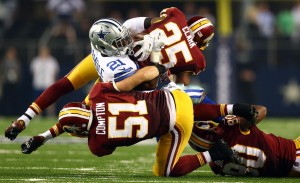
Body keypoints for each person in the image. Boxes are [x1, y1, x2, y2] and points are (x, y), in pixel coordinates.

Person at [4, 7, 212, 141]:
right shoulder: (122, 66)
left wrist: (149, 36)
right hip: (121, 71)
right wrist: (159, 63)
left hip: (111, 63)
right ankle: (36, 128)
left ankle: (31, 125)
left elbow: (156, 22)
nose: (126, 41)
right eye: (120, 41)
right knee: (86, 106)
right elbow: (152, 82)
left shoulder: (132, 27)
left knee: (70, 92)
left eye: (124, 38)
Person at [20, 69, 240, 177]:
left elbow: (84, 125)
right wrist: (159, 70)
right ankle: (230, 110)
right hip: (171, 96)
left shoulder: (97, 145)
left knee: (164, 172)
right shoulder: (98, 94)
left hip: (172, 125)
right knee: (169, 92)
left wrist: (45, 136)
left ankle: (214, 154)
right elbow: (140, 76)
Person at [188, 114, 300, 177]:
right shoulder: (231, 129)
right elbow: (260, 110)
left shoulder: (216, 166)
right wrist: (235, 118)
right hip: (292, 153)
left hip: (284, 168)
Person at [30, 46, 60, 117]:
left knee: (50, 102)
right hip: (38, 84)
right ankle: (38, 116)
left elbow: (55, 73)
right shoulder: (36, 61)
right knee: (38, 102)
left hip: (48, 84)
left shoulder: (52, 61)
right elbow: (32, 72)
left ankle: (50, 115)